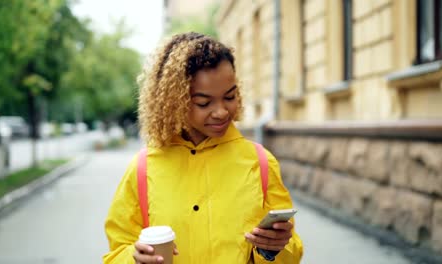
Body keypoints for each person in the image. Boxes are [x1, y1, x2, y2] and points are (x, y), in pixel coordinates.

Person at [103, 32, 303, 264]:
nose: (221, 112)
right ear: (174, 101)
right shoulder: (143, 168)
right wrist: (134, 259)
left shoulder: (260, 162)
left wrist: (274, 250)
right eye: (203, 103)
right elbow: (117, 252)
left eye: (229, 97)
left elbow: (291, 251)